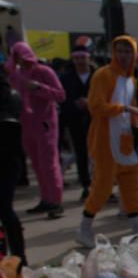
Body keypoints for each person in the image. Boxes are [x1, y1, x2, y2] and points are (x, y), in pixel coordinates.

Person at [75, 35, 138, 248]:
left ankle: (137, 228)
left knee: (130, 183)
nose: (124, 56)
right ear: (113, 53)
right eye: (120, 51)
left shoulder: (131, 79)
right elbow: (96, 107)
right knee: (102, 187)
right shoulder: (103, 75)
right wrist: (128, 109)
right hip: (105, 141)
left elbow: (129, 111)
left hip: (124, 140)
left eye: (128, 51)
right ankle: (83, 229)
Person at [5, 41, 65, 218]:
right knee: (37, 165)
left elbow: (60, 95)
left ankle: (56, 202)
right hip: (25, 125)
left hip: (45, 123)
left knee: (49, 164)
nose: (20, 60)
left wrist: (38, 88)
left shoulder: (44, 71)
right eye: (16, 56)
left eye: (22, 55)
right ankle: (46, 199)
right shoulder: (15, 76)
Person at [59, 37, 95, 200]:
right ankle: (86, 185)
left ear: (89, 58)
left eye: (83, 57)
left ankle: (101, 184)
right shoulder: (66, 78)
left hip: (96, 119)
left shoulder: (98, 74)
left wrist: (91, 102)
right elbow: (62, 99)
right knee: (81, 153)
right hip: (75, 120)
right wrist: (75, 105)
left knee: (98, 153)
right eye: (76, 58)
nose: (80, 61)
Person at [0, 71, 27, 264]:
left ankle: (17, 260)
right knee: (5, 211)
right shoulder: (13, 94)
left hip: (7, 162)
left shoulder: (10, 96)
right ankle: (16, 260)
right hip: (11, 162)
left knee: (5, 211)